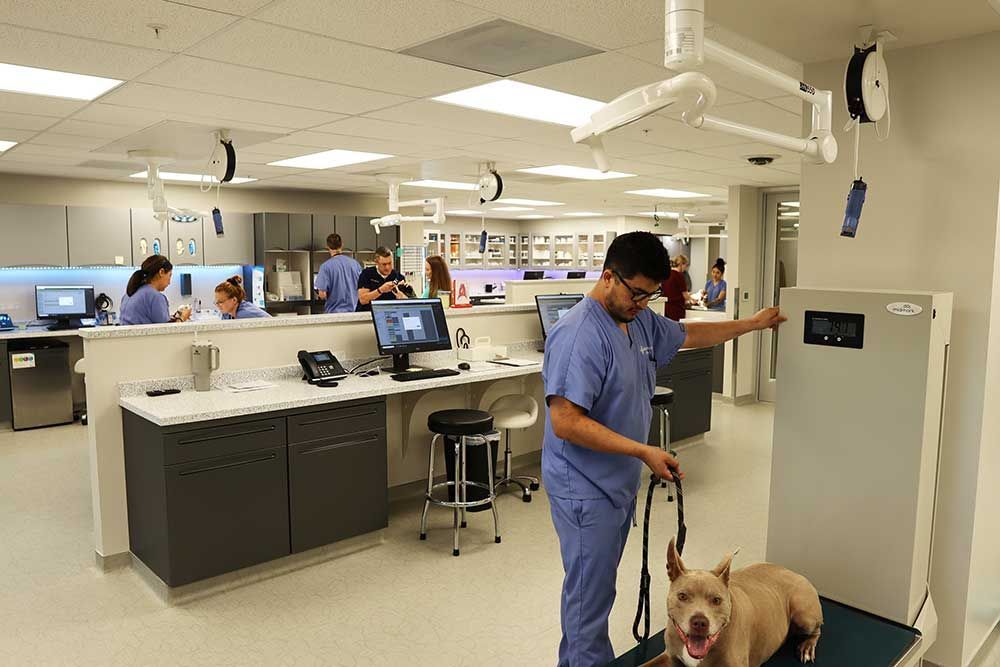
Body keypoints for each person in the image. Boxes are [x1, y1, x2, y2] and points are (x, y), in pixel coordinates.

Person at [542, 231, 785, 667]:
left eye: (651, 296)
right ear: (608, 277)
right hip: (583, 488)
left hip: (615, 483)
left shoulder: (637, 320)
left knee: (599, 589)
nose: (643, 304)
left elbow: (689, 333)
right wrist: (643, 451)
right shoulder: (579, 335)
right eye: (637, 293)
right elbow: (566, 421)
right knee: (587, 600)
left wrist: (751, 325)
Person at [119, 255, 191, 325]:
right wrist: (182, 318)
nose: (169, 282)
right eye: (169, 276)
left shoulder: (130, 293)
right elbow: (167, 331)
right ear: (161, 272)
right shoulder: (156, 297)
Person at [315, 233, 362, 313]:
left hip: (334, 314)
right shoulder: (355, 264)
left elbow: (322, 295)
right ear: (342, 245)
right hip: (353, 313)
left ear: (327, 247)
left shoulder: (325, 267)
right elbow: (361, 288)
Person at [356, 246, 408, 311]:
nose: (387, 267)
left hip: (389, 314)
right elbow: (363, 300)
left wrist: (400, 294)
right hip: (367, 315)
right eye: (384, 264)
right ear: (376, 262)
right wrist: (381, 290)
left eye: (390, 263)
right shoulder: (367, 274)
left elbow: (406, 303)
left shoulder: (398, 277)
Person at [660, 254, 692, 322]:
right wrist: (694, 299)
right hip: (676, 309)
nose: (685, 269)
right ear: (681, 264)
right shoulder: (679, 276)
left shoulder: (666, 274)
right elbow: (685, 296)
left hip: (666, 308)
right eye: (685, 266)